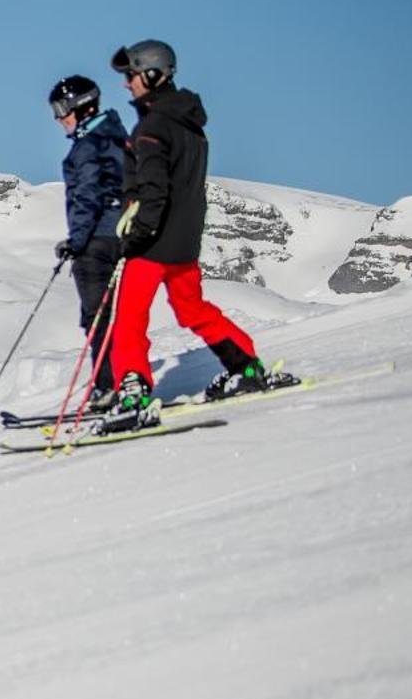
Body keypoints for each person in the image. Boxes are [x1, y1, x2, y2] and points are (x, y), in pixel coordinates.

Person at [103, 39, 297, 429]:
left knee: (128, 317)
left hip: (154, 242)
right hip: (186, 241)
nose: (127, 84)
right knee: (192, 309)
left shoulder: (152, 126)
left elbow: (154, 189)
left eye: (131, 75)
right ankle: (245, 367)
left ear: (153, 74)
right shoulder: (191, 125)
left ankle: (133, 392)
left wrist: (138, 232)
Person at [47, 74, 129, 404]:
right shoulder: (117, 135)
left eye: (61, 110)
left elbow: (87, 196)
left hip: (97, 241)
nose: (58, 119)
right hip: (123, 236)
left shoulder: (87, 146)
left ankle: (107, 386)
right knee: (115, 316)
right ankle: (123, 379)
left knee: (96, 317)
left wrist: (76, 241)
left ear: (79, 107)